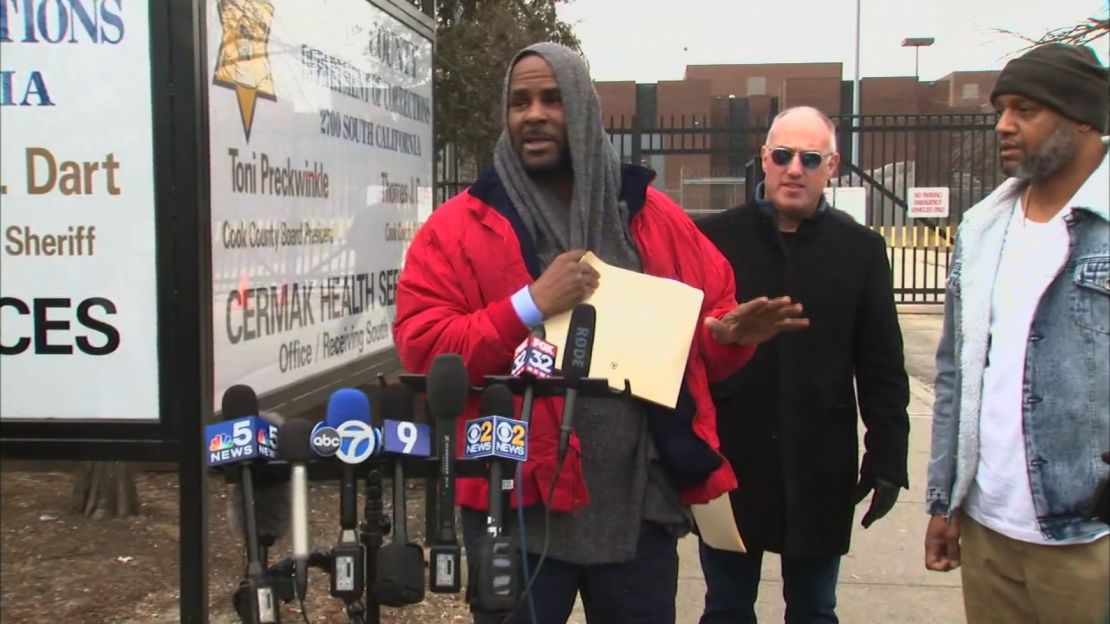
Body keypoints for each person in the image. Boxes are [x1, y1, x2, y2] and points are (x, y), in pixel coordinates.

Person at [392, 42, 807, 624]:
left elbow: (704, 338)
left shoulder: (652, 216)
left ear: (583, 110)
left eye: (552, 99)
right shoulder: (459, 227)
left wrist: (731, 337)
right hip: (513, 508)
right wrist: (529, 304)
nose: (532, 114)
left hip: (636, 513)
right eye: (519, 102)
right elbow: (424, 345)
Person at [695, 106, 910, 624]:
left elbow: (882, 364)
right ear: (765, 160)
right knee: (726, 606)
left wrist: (887, 457)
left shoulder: (860, 249)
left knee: (815, 608)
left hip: (820, 462)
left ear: (831, 166)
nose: (795, 169)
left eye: (810, 158)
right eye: (784, 155)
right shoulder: (716, 239)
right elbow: (684, 348)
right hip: (733, 458)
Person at [924, 43, 1110, 624]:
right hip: (989, 527)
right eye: (1001, 108)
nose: (1003, 124)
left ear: (1083, 117)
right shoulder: (984, 227)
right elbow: (957, 371)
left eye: (1025, 109)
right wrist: (945, 499)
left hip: (1088, 538)